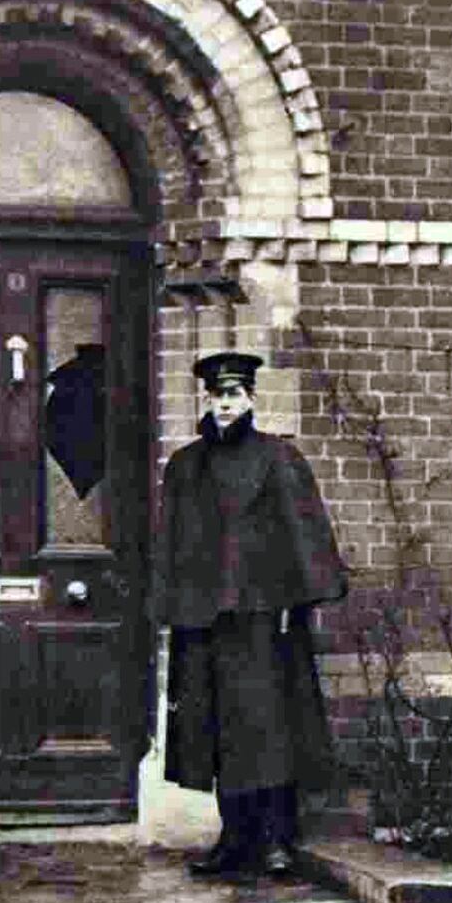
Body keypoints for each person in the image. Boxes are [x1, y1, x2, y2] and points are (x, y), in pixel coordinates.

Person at [155, 351, 347, 876]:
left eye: (234, 395)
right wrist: (170, 606)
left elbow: (302, 532)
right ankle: (234, 838)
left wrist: (296, 602)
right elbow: (170, 541)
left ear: (251, 399)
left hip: (263, 619)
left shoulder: (278, 459)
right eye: (217, 396)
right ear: (206, 400)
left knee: (269, 728)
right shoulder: (185, 466)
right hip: (204, 618)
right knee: (217, 729)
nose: (224, 405)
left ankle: (277, 837)